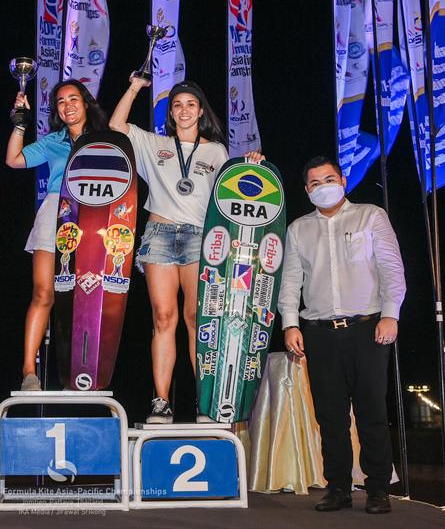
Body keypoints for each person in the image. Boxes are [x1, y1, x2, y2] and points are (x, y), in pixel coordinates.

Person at [110, 78, 262, 423]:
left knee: (198, 320)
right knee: (163, 319)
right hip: (159, 235)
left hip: (200, 237)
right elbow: (117, 125)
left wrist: (251, 165)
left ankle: (204, 402)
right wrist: (133, 88)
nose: (183, 110)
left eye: (190, 104)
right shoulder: (155, 144)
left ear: (201, 111)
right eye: (177, 105)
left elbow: (231, 194)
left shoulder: (216, 151)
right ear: (171, 113)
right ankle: (161, 401)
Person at [278, 156, 406, 515]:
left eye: (329, 178)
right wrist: (290, 323)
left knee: (371, 412)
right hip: (319, 333)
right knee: (330, 415)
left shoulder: (371, 216)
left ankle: (378, 488)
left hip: (368, 327)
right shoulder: (299, 229)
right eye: (315, 183)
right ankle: (338, 487)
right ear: (307, 190)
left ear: (343, 180)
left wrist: (390, 315)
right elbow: (290, 282)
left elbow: (392, 269)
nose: (323, 186)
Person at [5, 79, 108, 391]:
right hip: (56, 210)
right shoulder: (53, 141)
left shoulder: (105, 140)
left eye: (74, 99)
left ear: (86, 102)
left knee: (85, 298)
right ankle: (28, 371)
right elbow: (14, 160)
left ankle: (79, 373)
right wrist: (20, 124)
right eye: (61, 101)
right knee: (43, 292)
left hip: (94, 215)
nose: (68, 106)